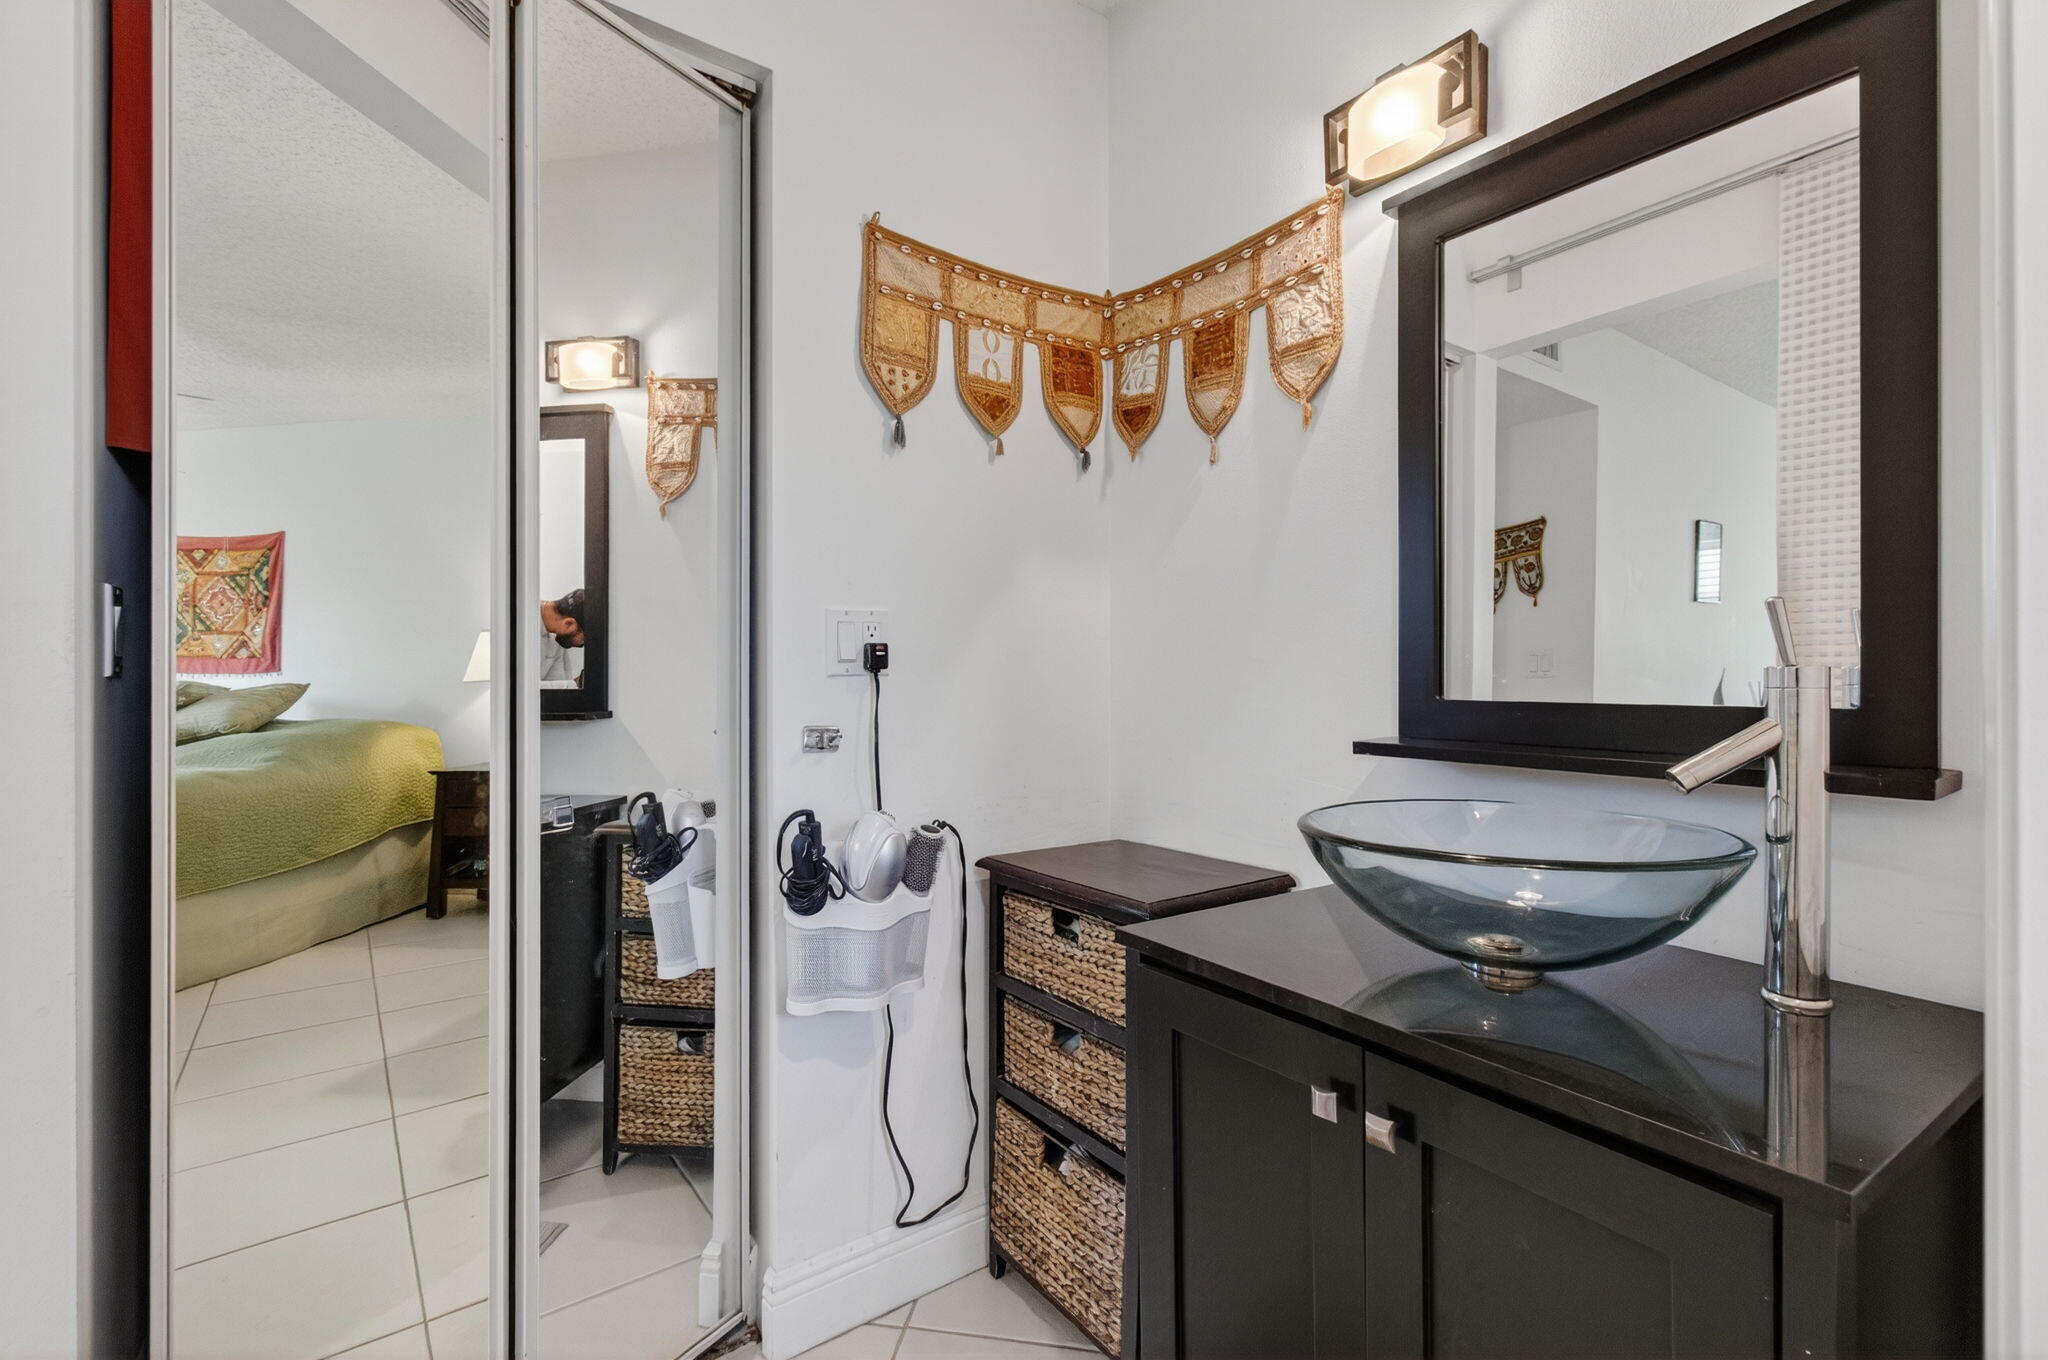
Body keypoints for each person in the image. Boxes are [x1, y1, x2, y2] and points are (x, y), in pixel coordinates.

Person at [540, 588, 586, 685]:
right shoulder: (518, 625)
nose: (581, 645)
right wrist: (578, 683)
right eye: (583, 641)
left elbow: (556, 687)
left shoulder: (555, 639)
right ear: (569, 624)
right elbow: (521, 690)